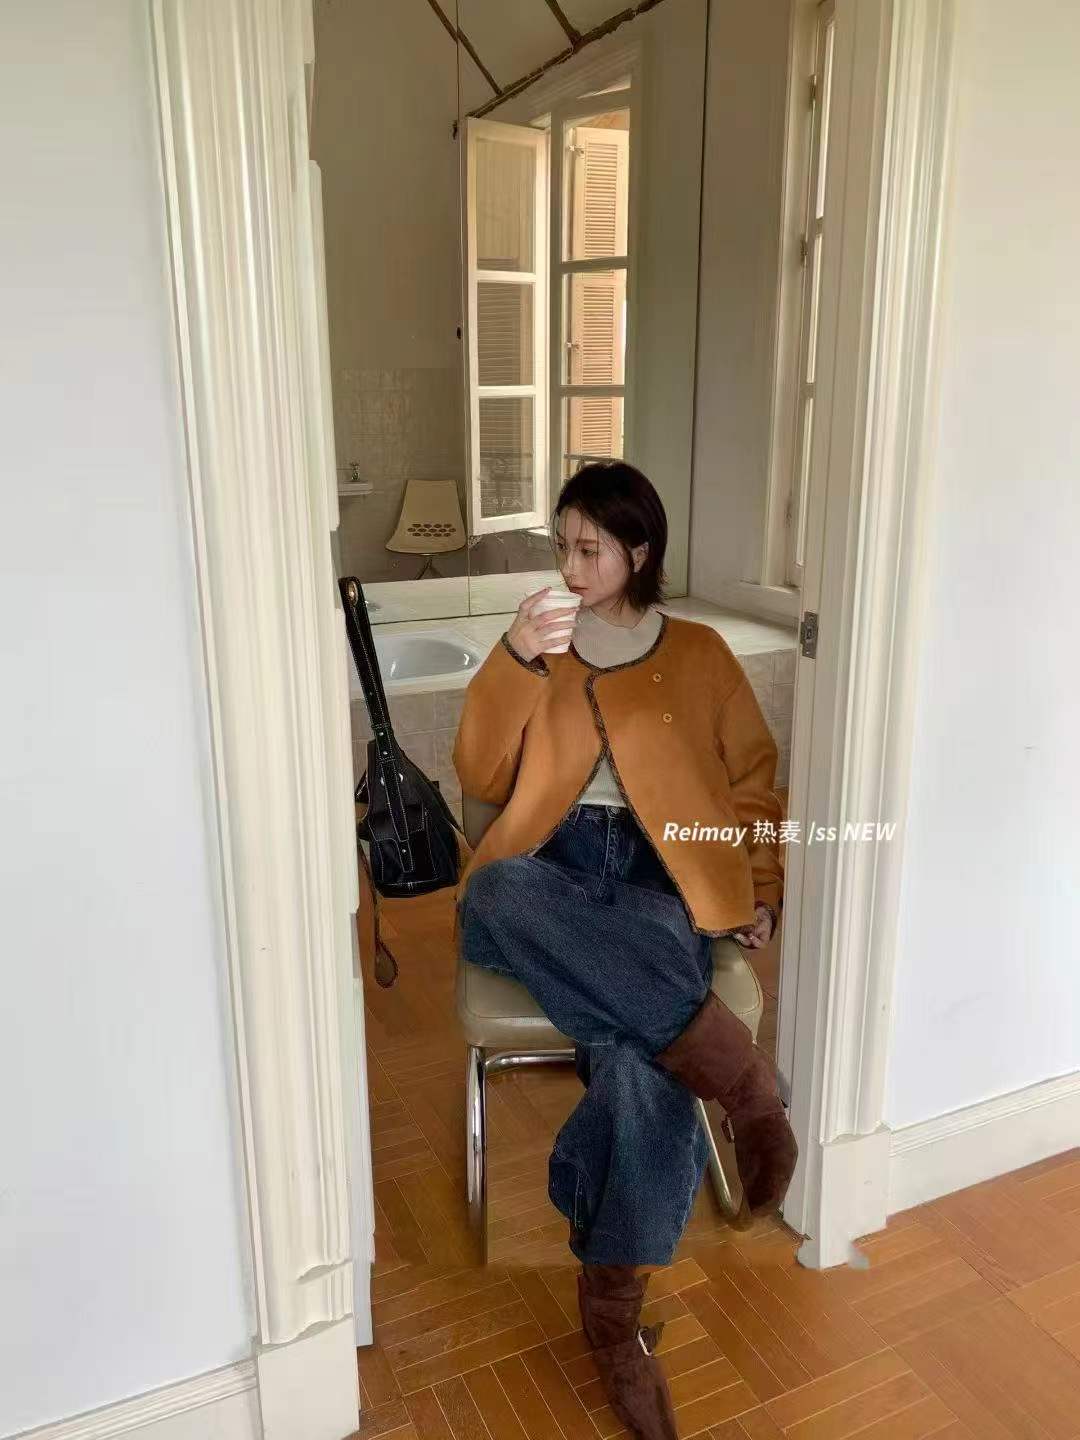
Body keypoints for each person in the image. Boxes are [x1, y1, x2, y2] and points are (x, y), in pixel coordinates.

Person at [452, 461, 797, 1440]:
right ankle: (744, 1083)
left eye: (589, 548)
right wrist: (516, 658)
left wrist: (759, 887)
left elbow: (753, 779)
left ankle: (611, 1320)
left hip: (658, 875)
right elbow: (477, 770)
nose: (569, 566)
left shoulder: (701, 653)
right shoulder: (541, 643)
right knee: (493, 891)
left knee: (641, 1065)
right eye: (560, 545)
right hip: (546, 875)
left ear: (638, 552)